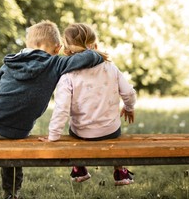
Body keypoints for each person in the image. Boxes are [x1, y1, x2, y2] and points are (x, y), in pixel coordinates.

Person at [0, 20, 104, 199]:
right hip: (17, 131)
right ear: (58, 47)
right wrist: (94, 50)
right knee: (13, 154)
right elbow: (89, 58)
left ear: (28, 45)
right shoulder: (55, 64)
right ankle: (11, 196)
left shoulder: (10, 63)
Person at [43, 23, 137, 186]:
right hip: (110, 130)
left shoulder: (67, 74)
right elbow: (128, 92)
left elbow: (62, 109)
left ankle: (80, 168)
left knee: (74, 129)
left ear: (68, 49)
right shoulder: (110, 67)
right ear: (94, 44)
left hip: (82, 132)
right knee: (113, 129)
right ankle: (120, 172)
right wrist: (129, 107)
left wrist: (53, 135)